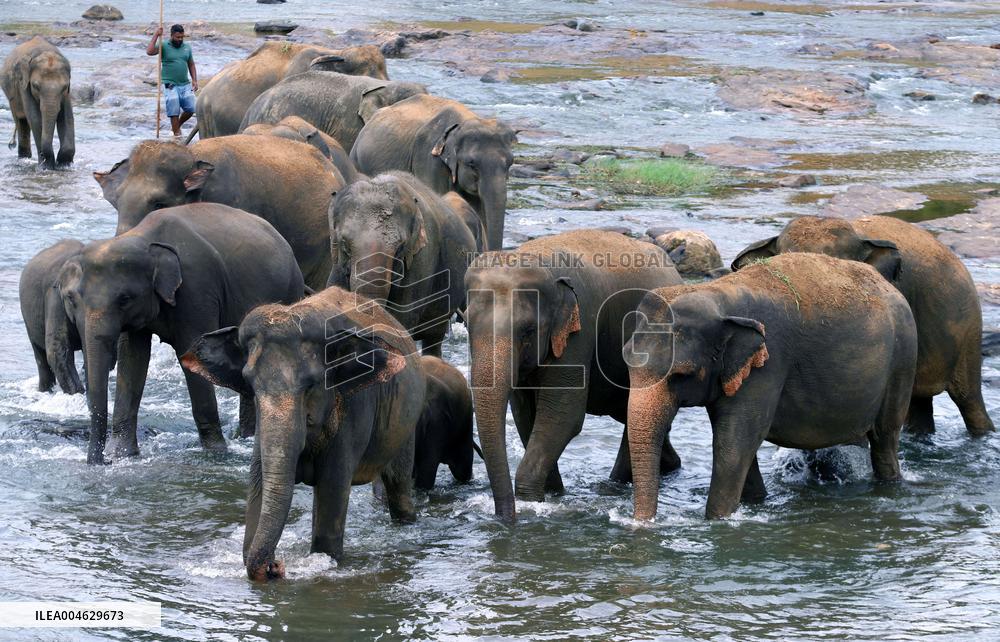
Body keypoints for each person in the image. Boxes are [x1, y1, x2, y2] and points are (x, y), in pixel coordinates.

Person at [146, 24, 198, 137]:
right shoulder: (164, 45)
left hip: (185, 83)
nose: (180, 39)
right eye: (177, 37)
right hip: (169, 83)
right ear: (172, 35)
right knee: (174, 109)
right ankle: (177, 135)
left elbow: (191, 64)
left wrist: (194, 80)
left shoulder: (187, 47)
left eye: (182, 37)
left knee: (191, 108)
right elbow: (149, 52)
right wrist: (156, 35)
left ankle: (177, 125)